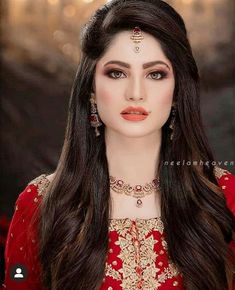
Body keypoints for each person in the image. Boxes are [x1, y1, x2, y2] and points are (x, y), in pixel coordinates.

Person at [3, 0, 235, 289]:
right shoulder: (42, 204)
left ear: (177, 91)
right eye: (116, 73)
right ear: (90, 88)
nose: (135, 93)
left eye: (155, 74)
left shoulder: (221, 198)